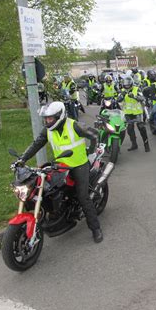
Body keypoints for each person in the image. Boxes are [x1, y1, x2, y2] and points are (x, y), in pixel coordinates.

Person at [18, 102, 103, 243]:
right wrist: (23, 159)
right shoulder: (48, 130)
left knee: (83, 198)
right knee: (50, 191)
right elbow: (36, 144)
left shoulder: (75, 126)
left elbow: (95, 134)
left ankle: (96, 229)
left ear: (60, 116)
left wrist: (91, 151)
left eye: (50, 118)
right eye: (45, 118)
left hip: (79, 166)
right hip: (60, 165)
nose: (47, 121)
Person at [118, 77, 150, 152]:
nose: (127, 86)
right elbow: (118, 100)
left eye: (128, 85)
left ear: (131, 84)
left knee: (142, 128)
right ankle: (134, 144)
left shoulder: (137, 89)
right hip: (128, 113)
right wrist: (121, 96)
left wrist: (135, 97)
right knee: (130, 130)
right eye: (125, 85)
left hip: (137, 112)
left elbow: (142, 98)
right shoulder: (122, 91)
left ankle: (146, 145)